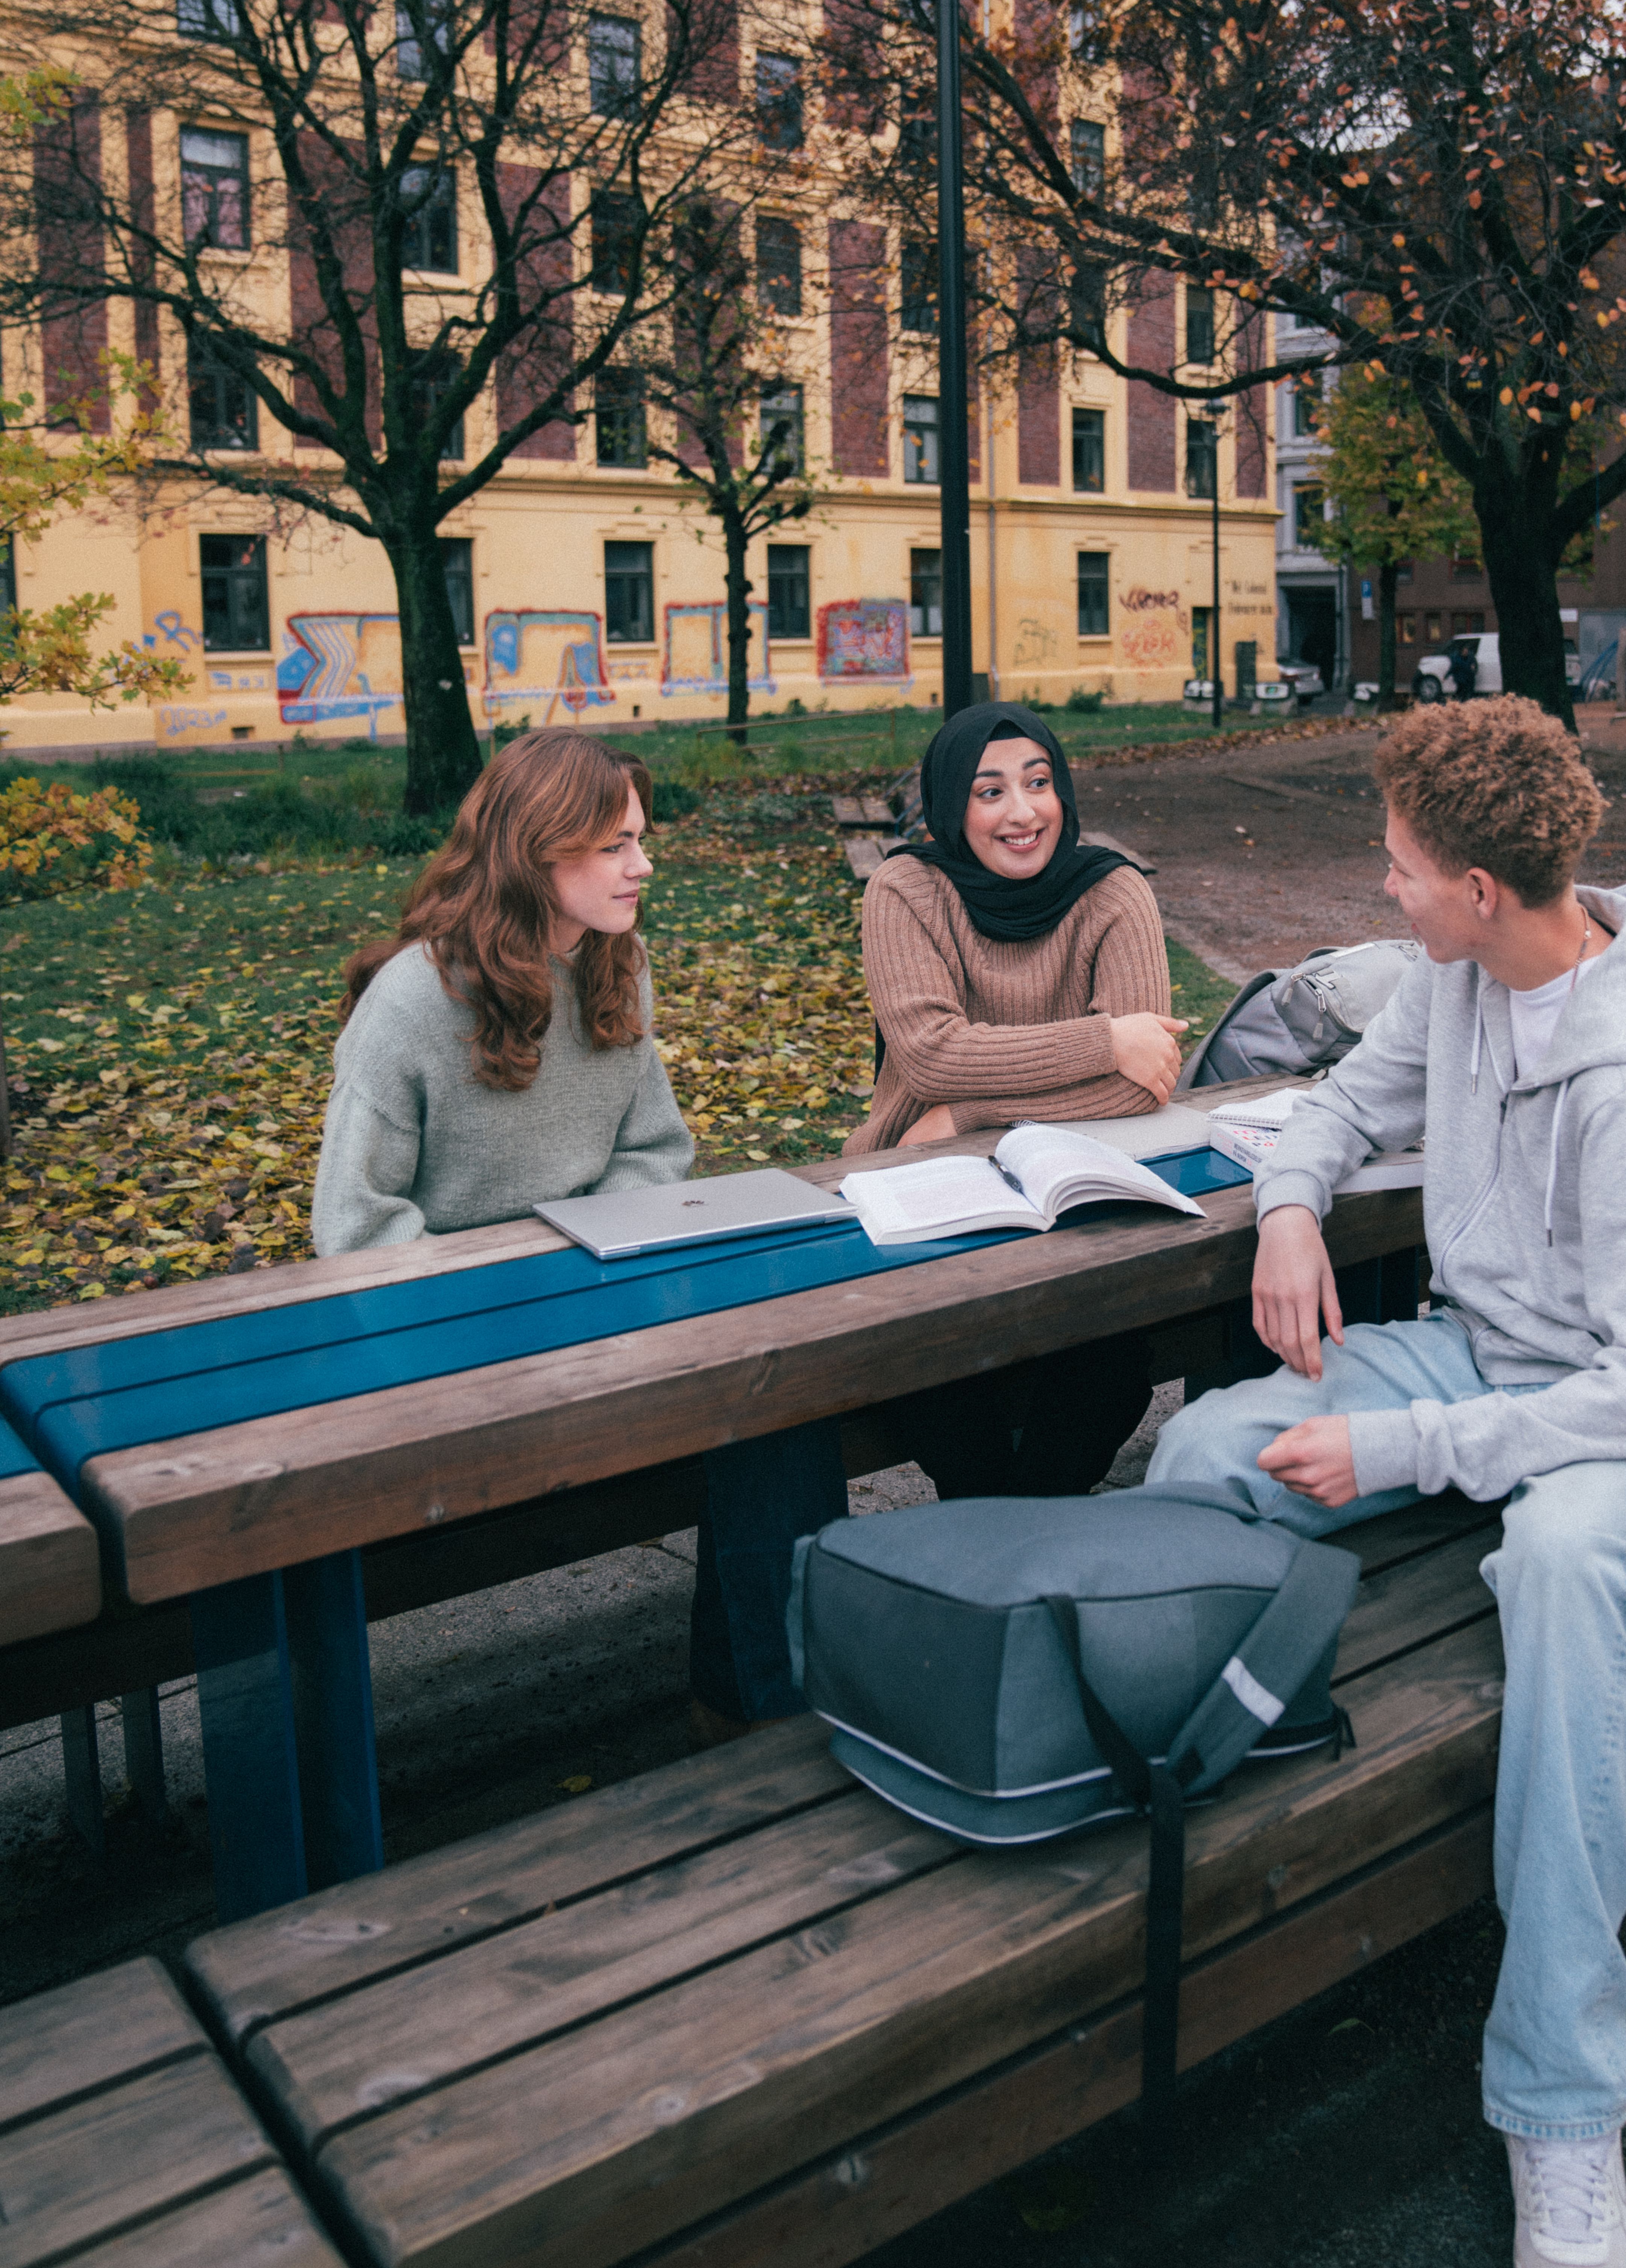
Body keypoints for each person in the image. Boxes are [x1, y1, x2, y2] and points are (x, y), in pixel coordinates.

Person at [1145, 696, 1626, 2268]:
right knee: (1209, 1438)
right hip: (1484, 1352)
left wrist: (1410, 1441)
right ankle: (1200, 1795)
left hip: (1620, 1413)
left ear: (1482, 884)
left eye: (1402, 867)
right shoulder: (1463, 977)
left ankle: (1563, 2105)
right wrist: (1285, 1210)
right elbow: (1336, 1107)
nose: (1384, 886)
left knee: (1560, 1566)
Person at [311, 729, 846, 1749]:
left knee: (780, 1388)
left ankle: (761, 1715)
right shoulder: (412, 1005)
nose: (642, 865)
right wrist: (520, 1291)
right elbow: (356, 1230)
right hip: (443, 1342)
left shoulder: (615, 964)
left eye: (639, 840)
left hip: (593, 1303)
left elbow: (655, 1150)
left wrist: (589, 1255)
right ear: (534, 853)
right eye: (614, 846)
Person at [847, 700, 1189, 1497]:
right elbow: (932, 1054)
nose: (1022, 811)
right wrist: (1104, 1040)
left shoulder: (1112, 891)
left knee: (1107, 1365)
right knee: (936, 1368)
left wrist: (971, 1113)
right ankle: (998, 1527)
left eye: (1038, 783)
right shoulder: (905, 890)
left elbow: (1146, 1081)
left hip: (1070, 1189)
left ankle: (1018, 1530)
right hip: (916, 1180)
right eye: (989, 790)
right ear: (948, 807)